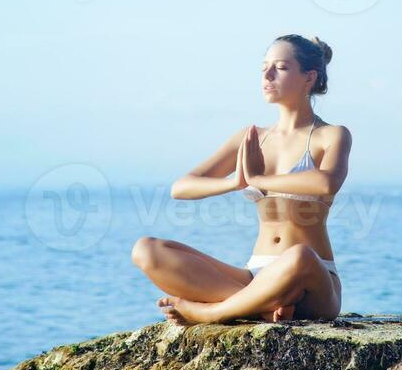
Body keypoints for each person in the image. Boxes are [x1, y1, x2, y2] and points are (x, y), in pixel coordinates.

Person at [131, 34, 352, 326]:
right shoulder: (253, 138)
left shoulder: (331, 135)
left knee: (300, 256)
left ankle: (212, 312)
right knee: (146, 249)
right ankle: (259, 307)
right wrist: (234, 182)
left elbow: (326, 183)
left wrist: (260, 179)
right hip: (255, 274)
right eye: (264, 67)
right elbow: (181, 187)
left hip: (311, 278)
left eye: (281, 67)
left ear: (309, 78)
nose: (267, 75)